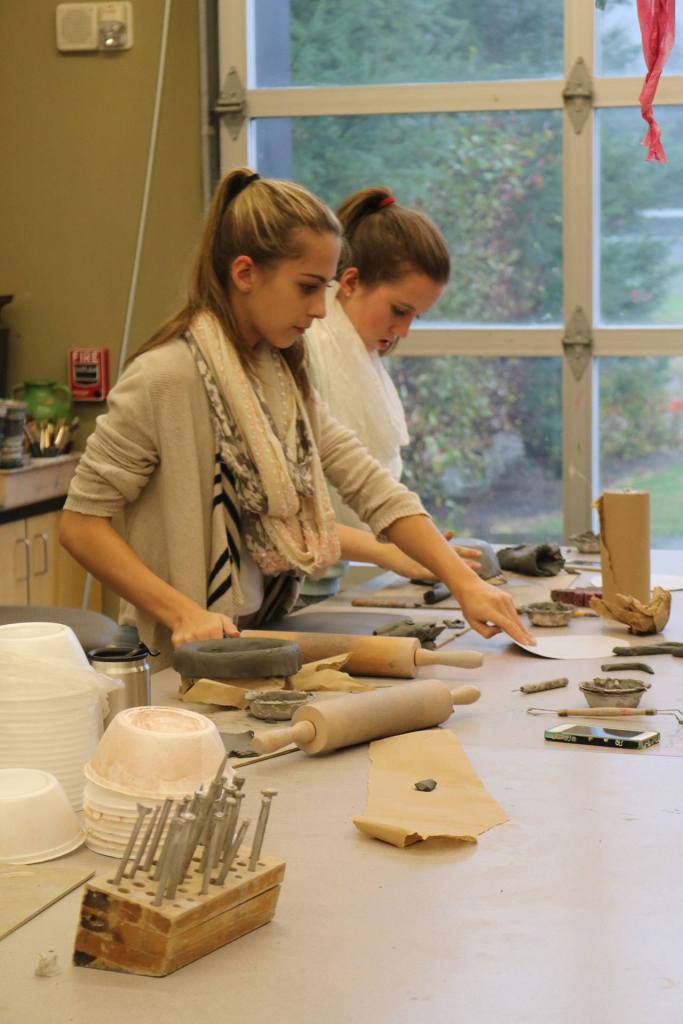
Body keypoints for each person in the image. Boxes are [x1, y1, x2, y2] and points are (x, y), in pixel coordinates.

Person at [60, 168, 532, 664]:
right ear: (245, 274)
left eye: (324, 287)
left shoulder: (281, 375)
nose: (320, 309)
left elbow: (369, 485)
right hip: (181, 650)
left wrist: (462, 582)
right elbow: (81, 524)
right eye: (308, 287)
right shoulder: (164, 377)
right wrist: (181, 612)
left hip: (256, 631)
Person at [304, 185, 481, 584]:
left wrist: (421, 545)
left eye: (414, 318)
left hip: (319, 582)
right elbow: (297, 515)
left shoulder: (356, 354)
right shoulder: (307, 350)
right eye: (399, 310)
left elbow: (367, 482)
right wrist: (398, 551)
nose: (401, 330)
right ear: (349, 282)